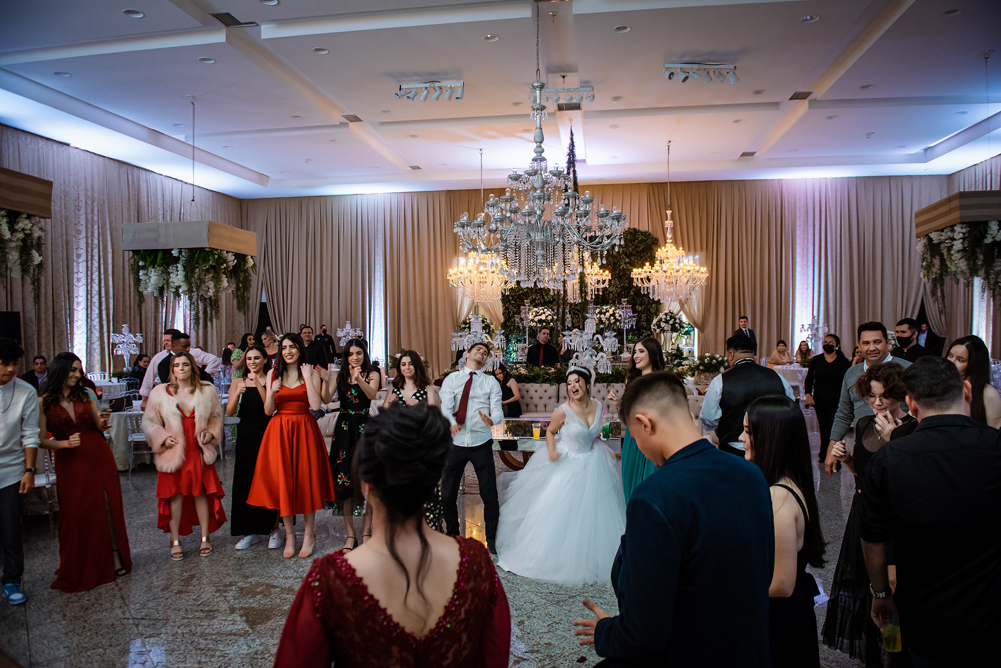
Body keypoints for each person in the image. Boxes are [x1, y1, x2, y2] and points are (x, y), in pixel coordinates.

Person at [273, 404, 511, 667]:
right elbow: (495, 657)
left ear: (366, 485)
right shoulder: (477, 564)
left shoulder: (328, 582)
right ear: (434, 481)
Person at [572, 372, 773, 666]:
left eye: (635, 438)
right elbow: (762, 572)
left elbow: (644, 633)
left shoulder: (653, 497)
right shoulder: (752, 475)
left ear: (645, 424)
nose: (640, 451)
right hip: (749, 651)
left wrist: (609, 631)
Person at [861, 357, 1001, 667]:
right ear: (967, 391)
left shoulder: (889, 459)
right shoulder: (995, 446)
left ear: (911, 403)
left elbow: (873, 537)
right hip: (990, 611)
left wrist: (880, 593)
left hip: (922, 613)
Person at [496, 367, 625, 585]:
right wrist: (551, 451)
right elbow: (550, 432)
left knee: (594, 511)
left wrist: (609, 452)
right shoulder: (563, 410)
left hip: (593, 461)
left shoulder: (598, 405)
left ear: (587, 383)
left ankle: (591, 556)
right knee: (561, 510)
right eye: (569, 383)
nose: (573, 386)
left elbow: (594, 437)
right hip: (568, 461)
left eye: (577, 381)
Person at [822, 362, 913, 667]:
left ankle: (896, 654)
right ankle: (878, 653)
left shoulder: (911, 429)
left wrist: (893, 441)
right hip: (863, 512)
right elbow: (863, 475)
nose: (876, 402)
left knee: (890, 592)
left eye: (883, 396)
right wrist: (848, 459)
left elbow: (906, 483)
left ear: (898, 394)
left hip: (891, 519)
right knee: (868, 589)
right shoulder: (863, 424)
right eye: (871, 396)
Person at [741, 396, 825, 668]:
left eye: (748, 431)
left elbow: (781, 584)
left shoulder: (779, 497)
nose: (741, 438)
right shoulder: (786, 483)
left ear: (771, 438)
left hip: (780, 622)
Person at [37, 353, 131, 591]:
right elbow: (39, 440)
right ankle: (80, 562)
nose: (78, 375)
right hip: (69, 459)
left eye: (79, 370)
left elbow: (98, 425)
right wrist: (64, 444)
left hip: (97, 453)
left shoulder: (86, 394)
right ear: (60, 370)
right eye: (73, 370)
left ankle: (114, 553)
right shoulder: (43, 402)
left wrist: (103, 418)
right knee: (76, 511)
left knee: (106, 504)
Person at [248, 334, 335, 559]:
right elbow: (268, 410)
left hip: (304, 428)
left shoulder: (310, 371)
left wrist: (307, 378)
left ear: (299, 350)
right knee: (283, 482)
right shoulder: (273, 373)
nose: (288, 351)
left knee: (306, 480)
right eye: (284, 347)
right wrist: (272, 391)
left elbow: (315, 405)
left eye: (292, 347)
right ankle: (289, 535)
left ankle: (308, 535)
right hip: (279, 430)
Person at [142, 352, 226, 560]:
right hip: (173, 450)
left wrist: (211, 433)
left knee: (201, 492)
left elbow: (216, 416)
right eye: (177, 365)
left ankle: (205, 537)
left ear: (193, 367)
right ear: (172, 369)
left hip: (197, 448)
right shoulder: (160, 392)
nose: (181, 368)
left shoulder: (207, 390)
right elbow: (150, 421)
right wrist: (162, 439)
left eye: (185, 364)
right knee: (175, 495)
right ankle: (175, 540)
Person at [439, 341, 504, 554]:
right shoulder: (452, 379)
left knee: (489, 495)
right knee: (447, 494)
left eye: (485, 353)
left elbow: (498, 409)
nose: (482, 353)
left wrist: (492, 419)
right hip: (455, 442)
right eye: (478, 350)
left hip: (481, 442)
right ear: (467, 354)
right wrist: (451, 422)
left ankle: (492, 538)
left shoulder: (491, 382)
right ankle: (452, 534)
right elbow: (445, 406)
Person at [825, 322, 911, 476]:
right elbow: (844, 413)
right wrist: (831, 447)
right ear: (859, 345)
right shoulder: (852, 373)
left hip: (900, 447)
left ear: (887, 342)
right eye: (866, 343)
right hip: (864, 447)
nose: (872, 348)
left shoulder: (908, 370)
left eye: (877, 342)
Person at [700, 333, 795, 457]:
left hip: (733, 450)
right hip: (772, 450)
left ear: (731, 354)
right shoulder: (778, 378)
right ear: (753, 353)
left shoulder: (721, 380)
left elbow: (708, 418)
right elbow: (791, 412)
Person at [226, 345, 279, 550]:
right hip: (246, 435)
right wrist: (237, 394)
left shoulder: (271, 379)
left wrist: (257, 383)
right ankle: (249, 531)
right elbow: (230, 412)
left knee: (268, 479)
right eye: (249, 359)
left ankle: (274, 529)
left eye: (257, 358)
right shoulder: (237, 381)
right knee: (245, 480)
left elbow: (269, 410)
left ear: (265, 359)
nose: (252, 362)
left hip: (267, 432)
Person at [383, 350, 443, 531]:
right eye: (403, 364)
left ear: (416, 366)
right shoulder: (394, 387)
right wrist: (389, 403)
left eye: (410, 364)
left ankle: (427, 530)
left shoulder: (427, 388)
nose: (407, 367)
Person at [329, 338, 380, 551]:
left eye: (359, 353)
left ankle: (367, 532)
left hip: (364, 429)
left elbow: (372, 394)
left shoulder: (372, 374)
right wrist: (323, 379)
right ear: (346, 356)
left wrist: (359, 379)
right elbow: (325, 398)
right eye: (351, 354)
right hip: (344, 430)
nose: (355, 357)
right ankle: (350, 535)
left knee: (367, 482)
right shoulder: (339, 375)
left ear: (364, 354)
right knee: (344, 481)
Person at [0, 339, 39, 606]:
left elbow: (30, 434)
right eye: (5, 364)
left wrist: (29, 471)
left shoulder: (25, 391)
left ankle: (12, 579)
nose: (11, 369)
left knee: (11, 527)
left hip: (13, 470)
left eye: (14, 364)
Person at [607, 337, 666, 503]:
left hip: (653, 438)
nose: (635, 356)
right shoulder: (631, 381)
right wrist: (618, 404)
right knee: (629, 481)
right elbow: (628, 417)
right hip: (632, 439)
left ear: (652, 354)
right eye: (635, 352)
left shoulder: (661, 381)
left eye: (641, 351)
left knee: (650, 484)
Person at [140, 329, 219, 409]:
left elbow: (207, 377)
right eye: (185, 347)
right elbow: (170, 386)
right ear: (174, 346)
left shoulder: (190, 359)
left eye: (189, 346)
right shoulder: (164, 363)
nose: (188, 349)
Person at [804, 333, 852, 462]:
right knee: (823, 426)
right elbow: (809, 379)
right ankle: (824, 453)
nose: (827, 345)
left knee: (834, 427)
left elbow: (848, 381)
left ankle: (835, 455)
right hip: (820, 399)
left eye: (831, 343)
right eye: (825, 342)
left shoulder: (843, 362)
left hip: (838, 399)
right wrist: (808, 394)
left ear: (837, 346)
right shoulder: (816, 360)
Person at [947, 335, 1001, 429]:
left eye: (960, 360)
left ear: (974, 365)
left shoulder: (989, 394)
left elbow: (994, 434)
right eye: (950, 355)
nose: (951, 362)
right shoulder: (942, 386)